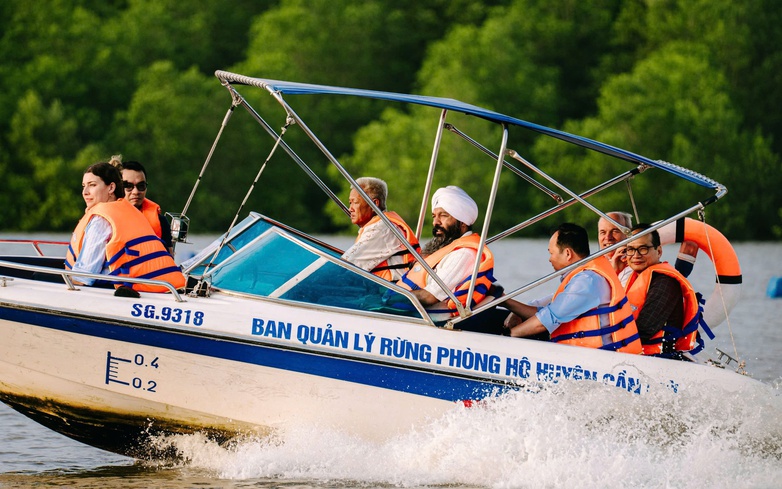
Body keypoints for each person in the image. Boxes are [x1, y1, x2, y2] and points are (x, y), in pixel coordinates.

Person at [503, 223, 642, 353]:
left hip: (597, 359)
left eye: (551, 253)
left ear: (568, 254)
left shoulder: (587, 281)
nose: (550, 259)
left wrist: (507, 336)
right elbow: (544, 308)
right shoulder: (584, 277)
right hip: (584, 354)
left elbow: (544, 321)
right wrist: (508, 304)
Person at [64, 162, 185, 293]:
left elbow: (84, 277)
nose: (85, 192)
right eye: (83, 186)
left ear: (111, 188)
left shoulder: (101, 219)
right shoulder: (133, 213)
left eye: (92, 185)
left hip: (116, 293)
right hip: (160, 290)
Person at [396, 186, 495, 319]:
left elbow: (429, 297)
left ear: (462, 223)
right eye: (434, 216)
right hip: (413, 312)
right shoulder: (449, 248)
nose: (436, 222)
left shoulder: (464, 254)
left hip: (430, 320)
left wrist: (388, 298)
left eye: (443, 216)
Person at [623, 224, 707, 358]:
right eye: (631, 249)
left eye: (643, 249)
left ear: (659, 251)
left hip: (660, 359)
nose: (636, 255)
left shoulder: (665, 282)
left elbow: (643, 330)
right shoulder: (635, 278)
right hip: (640, 355)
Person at [341, 177, 419, 281]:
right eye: (350, 203)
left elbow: (346, 265)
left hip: (390, 293)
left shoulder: (382, 230)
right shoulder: (382, 225)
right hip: (383, 291)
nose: (350, 208)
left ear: (374, 204)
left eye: (355, 202)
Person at [111, 156, 174, 254]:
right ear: (117, 187)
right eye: (128, 186)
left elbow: (170, 258)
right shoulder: (107, 220)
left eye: (141, 186)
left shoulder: (161, 221)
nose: (136, 192)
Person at [597, 211, 634, 286]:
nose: (608, 237)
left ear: (628, 234)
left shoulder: (634, 266)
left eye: (615, 231)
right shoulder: (590, 266)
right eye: (603, 232)